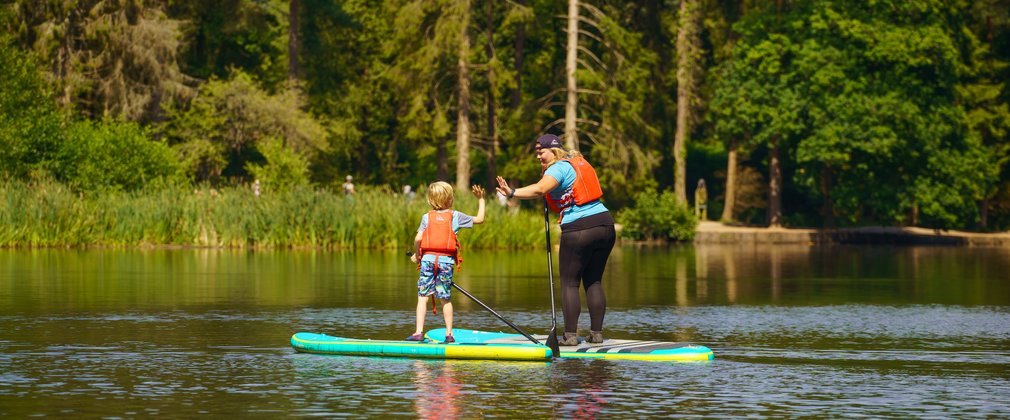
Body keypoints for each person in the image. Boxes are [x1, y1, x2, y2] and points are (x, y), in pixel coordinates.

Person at [495, 134, 615, 345]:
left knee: (570, 283)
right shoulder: (575, 164)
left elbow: (540, 189)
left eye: (542, 151)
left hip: (579, 228)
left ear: (554, 150)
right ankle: (596, 334)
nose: (538, 155)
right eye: (537, 152)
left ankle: (570, 337)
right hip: (605, 224)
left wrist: (511, 192)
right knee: (593, 280)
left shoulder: (558, 168)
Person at [407, 181, 486, 343]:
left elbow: (418, 238)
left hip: (428, 261)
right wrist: (481, 199)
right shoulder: (455, 216)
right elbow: (479, 219)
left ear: (430, 200)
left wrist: (417, 255)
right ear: (450, 199)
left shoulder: (426, 217)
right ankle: (449, 335)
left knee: (423, 297)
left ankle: (418, 332)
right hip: (446, 263)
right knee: (445, 298)